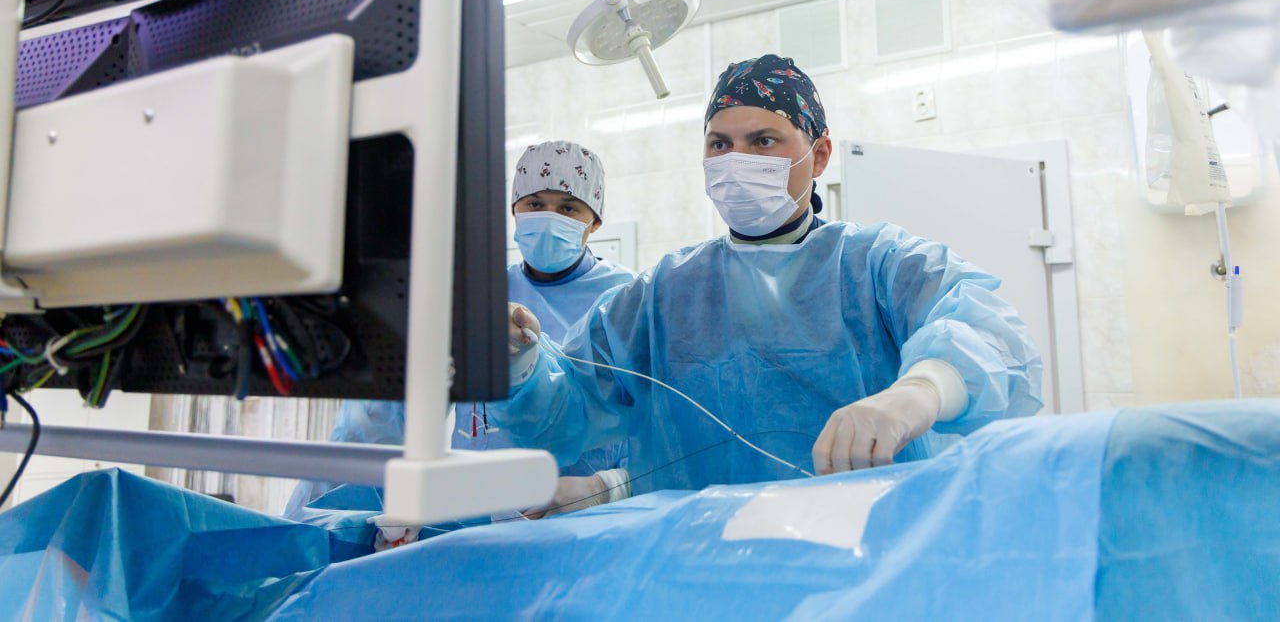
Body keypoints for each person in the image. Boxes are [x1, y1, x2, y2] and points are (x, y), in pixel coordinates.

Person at [493, 54, 1043, 500]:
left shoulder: (876, 265)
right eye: (719, 144)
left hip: (861, 550)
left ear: (819, 155)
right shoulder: (663, 294)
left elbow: (992, 335)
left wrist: (919, 392)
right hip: (701, 558)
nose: (736, 160)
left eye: (763, 141)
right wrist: (517, 360)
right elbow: (563, 412)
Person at [283, 141, 636, 519]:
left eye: (567, 208)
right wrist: (306, 523)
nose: (548, 217)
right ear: (514, 211)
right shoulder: (477, 293)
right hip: (477, 506)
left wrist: (606, 487)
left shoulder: (624, 298)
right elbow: (382, 423)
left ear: (595, 221)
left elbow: (654, 420)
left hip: (581, 515)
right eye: (534, 204)